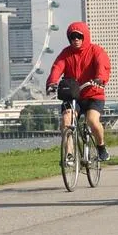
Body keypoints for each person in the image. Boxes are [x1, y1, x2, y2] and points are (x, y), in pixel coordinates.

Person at [47, 22, 111, 162]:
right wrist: (52, 82)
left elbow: (102, 65)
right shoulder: (66, 53)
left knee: (92, 120)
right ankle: (69, 155)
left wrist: (100, 78)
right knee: (66, 121)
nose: (76, 39)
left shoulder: (96, 51)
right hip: (73, 95)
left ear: (85, 37)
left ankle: (101, 147)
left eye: (79, 36)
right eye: (72, 37)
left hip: (93, 94)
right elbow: (57, 67)